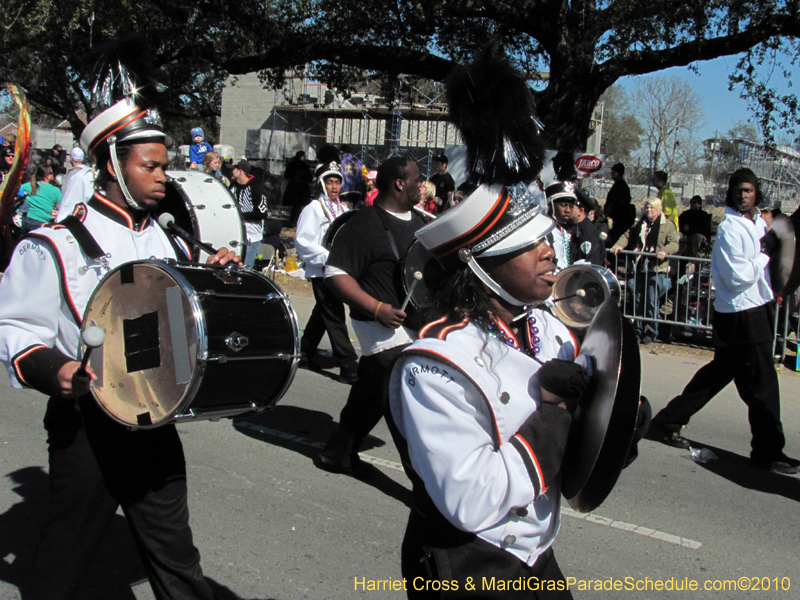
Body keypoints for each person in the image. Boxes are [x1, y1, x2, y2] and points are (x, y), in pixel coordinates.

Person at [0, 82, 239, 598]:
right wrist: (53, 369)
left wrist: (218, 275)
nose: (162, 177)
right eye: (150, 166)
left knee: (176, 555)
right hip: (88, 422)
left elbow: (187, 316)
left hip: (155, 416)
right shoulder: (56, 244)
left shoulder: (171, 237)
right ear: (112, 165)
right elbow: (16, 327)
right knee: (65, 554)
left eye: (164, 166)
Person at [388, 181, 587, 599]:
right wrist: (553, 414)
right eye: (527, 244)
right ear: (480, 265)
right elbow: (471, 501)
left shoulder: (551, 329)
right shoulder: (435, 362)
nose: (548, 251)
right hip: (466, 563)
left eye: (545, 238)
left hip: (535, 553)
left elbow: (578, 457)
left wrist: (613, 424)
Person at [647, 169, 798, 475]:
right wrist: (765, 255)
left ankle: (666, 421)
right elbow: (738, 277)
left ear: (757, 193)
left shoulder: (757, 223)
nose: (743, 196)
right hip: (743, 313)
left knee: (719, 373)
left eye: (749, 190)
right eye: (738, 191)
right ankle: (768, 451)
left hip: (756, 308)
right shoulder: (730, 228)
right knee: (763, 384)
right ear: (731, 194)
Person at [317, 156, 425, 478]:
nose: (422, 185)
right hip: (381, 330)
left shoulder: (420, 221)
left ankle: (338, 452)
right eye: (417, 179)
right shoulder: (362, 224)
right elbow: (335, 274)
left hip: (416, 326)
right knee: (405, 407)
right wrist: (377, 309)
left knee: (371, 390)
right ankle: (424, 486)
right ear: (399, 184)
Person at [295, 161, 359, 383]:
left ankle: (304, 351)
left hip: (338, 269)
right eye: (330, 182)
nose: (334, 186)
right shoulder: (313, 208)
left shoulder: (343, 209)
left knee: (324, 313)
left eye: (337, 182)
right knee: (334, 314)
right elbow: (302, 241)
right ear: (322, 184)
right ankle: (348, 365)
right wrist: (328, 257)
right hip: (321, 270)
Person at [610, 198, 679, 344]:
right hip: (640, 267)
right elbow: (627, 235)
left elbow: (674, 243)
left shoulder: (668, 225)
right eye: (647, 208)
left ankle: (652, 332)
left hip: (656, 269)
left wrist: (665, 251)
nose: (648, 210)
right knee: (638, 298)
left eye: (652, 208)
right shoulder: (639, 223)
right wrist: (618, 245)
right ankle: (638, 330)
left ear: (659, 209)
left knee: (651, 301)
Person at [230, 158, 269, 267]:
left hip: (252, 234)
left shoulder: (255, 187)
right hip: (236, 232)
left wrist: (241, 215)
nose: (231, 171)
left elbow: (262, 213)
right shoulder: (233, 187)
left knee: (246, 267)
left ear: (240, 171)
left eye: (234, 169)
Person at [18, 165, 62, 233]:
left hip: (25, 222)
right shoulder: (56, 190)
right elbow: (61, 209)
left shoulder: (29, 185)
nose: (53, 175)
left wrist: (23, 193)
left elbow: (13, 191)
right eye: (51, 173)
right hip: (43, 225)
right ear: (46, 175)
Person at [56, 147, 95, 220]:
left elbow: (65, 195)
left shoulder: (74, 176)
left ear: (71, 158)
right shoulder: (89, 173)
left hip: (73, 214)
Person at [544, 181, 575, 272]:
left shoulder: (564, 231)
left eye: (571, 206)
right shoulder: (544, 230)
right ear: (551, 205)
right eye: (563, 205)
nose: (568, 210)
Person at [569, 189, 605, 266]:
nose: (567, 210)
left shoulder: (587, 233)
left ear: (581, 211)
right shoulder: (573, 227)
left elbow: (588, 263)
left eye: (571, 206)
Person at [604, 163, 635, 247]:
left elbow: (618, 204)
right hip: (616, 220)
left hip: (619, 221)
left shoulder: (621, 187)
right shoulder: (617, 185)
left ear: (618, 173)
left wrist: (610, 213)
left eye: (613, 172)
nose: (612, 174)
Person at [284, 151, 314, 226]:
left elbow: (286, 175)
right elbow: (309, 177)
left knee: (295, 205)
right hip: (302, 187)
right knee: (301, 205)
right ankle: (299, 220)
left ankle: (293, 220)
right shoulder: (304, 165)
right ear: (303, 156)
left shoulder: (291, 164)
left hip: (293, 186)